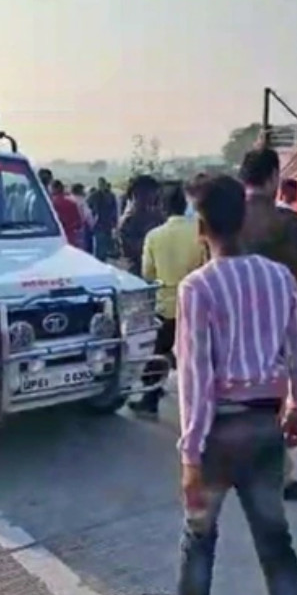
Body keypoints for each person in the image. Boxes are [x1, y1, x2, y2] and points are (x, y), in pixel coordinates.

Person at [141, 175, 297, 595]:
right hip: (264, 428)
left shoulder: (197, 288)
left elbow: (196, 378)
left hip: (218, 431)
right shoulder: (278, 278)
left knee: (200, 534)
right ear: (241, 221)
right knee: (275, 541)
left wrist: (190, 455)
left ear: (202, 229)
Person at [238, 147, 297, 503]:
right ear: (274, 177)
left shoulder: (226, 217)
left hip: (232, 319)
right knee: (278, 398)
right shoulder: (284, 222)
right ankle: (279, 476)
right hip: (274, 323)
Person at [133, 184, 207, 418]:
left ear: (162, 208)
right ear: (185, 205)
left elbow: (147, 273)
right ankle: (199, 405)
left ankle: (150, 399)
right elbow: (208, 266)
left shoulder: (154, 236)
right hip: (195, 306)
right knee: (195, 358)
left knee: (158, 353)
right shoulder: (200, 231)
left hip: (166, 305)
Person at [118, 174, 164, 276]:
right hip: (139, 275)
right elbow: (132, 251)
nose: (155, 196)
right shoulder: (129, 221)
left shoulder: (156, 215)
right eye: (152, 192)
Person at [87, 177, 119, 261]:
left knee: (101, 245)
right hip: (103, 223)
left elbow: (88, 206)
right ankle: (101, 260)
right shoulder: (108, 195)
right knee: (101, 244)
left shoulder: (98, 195)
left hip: (102, 223)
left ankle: (101, 260)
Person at [49, 179, 84, 248]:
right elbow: (79, 222)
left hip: (57, 237)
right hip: (71, 236)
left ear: (54, 189)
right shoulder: (72, 202)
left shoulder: (51, 203)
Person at [70, 183, 95, 253]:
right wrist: (92, 226)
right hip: (81, 227)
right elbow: (87, 215)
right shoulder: (81, 201)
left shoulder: (69, 199)